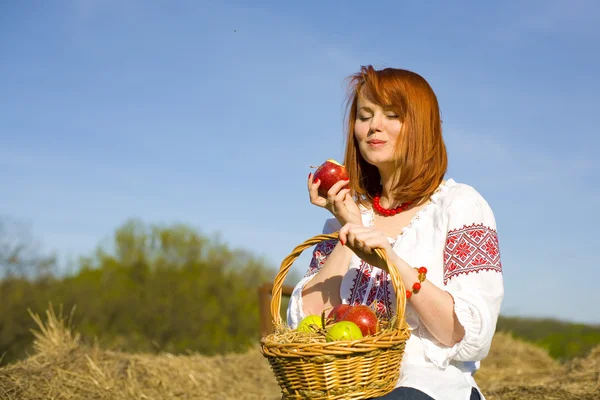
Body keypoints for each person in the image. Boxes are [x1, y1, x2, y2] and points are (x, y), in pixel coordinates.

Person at [286, 65, 504, 400]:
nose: (374, 126)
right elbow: (306, 323)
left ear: (421, 126)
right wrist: (351, 228)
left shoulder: (460, 206)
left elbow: (468, 337)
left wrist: (392, 261)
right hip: (346, 386)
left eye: (392, 114)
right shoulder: (345, 217)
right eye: (365, 115)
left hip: (426, 387)